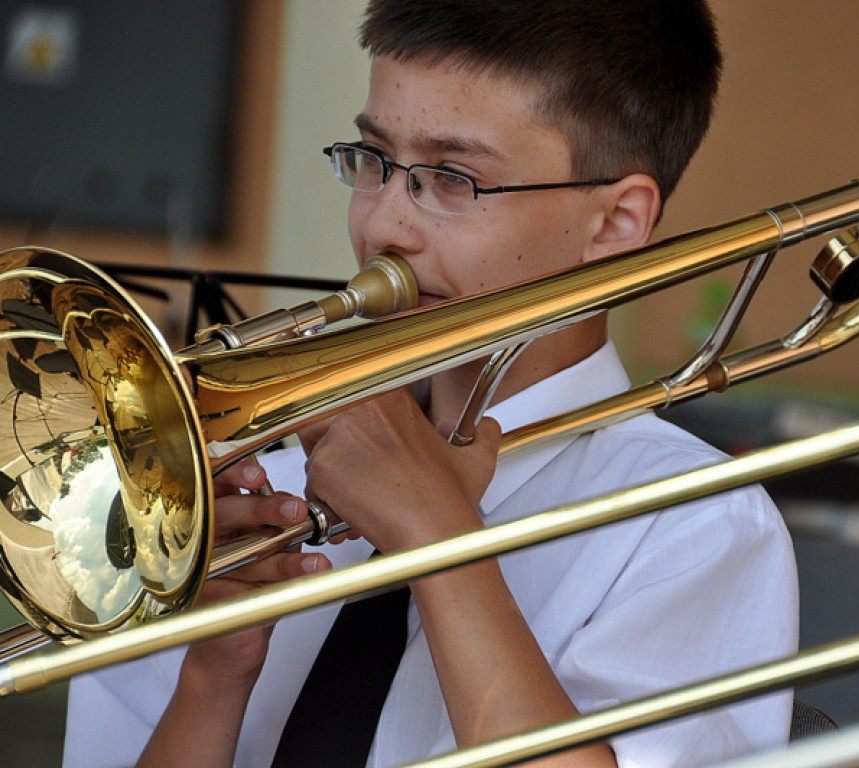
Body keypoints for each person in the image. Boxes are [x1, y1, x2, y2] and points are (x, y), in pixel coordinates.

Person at [63, 1, 798, 766]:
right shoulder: (260, 497)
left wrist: (439, 538)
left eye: (452, 178)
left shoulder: (691, 528)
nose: (384, 226)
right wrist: (213, 675)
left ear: (613, 224)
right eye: (373, 160)